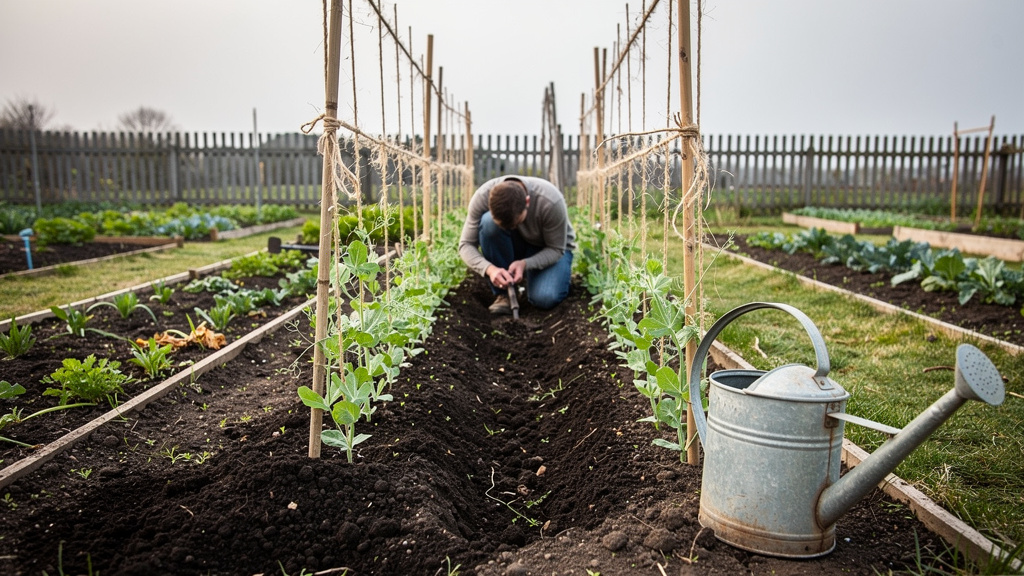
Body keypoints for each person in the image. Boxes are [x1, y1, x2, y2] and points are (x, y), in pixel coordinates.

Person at [458, 175, 576, 315]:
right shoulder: (482, 196)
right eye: (504, 226)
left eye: (517, 223)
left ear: (527, 202)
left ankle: (551, 277)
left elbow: (556, 249)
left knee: (545, 298)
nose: (512, 228)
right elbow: (466, 245)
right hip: (515, 244)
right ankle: (504, 295)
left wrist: (525, 264)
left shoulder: (550, 201)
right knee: (489, 223)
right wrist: (490, 269)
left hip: (549, 248)